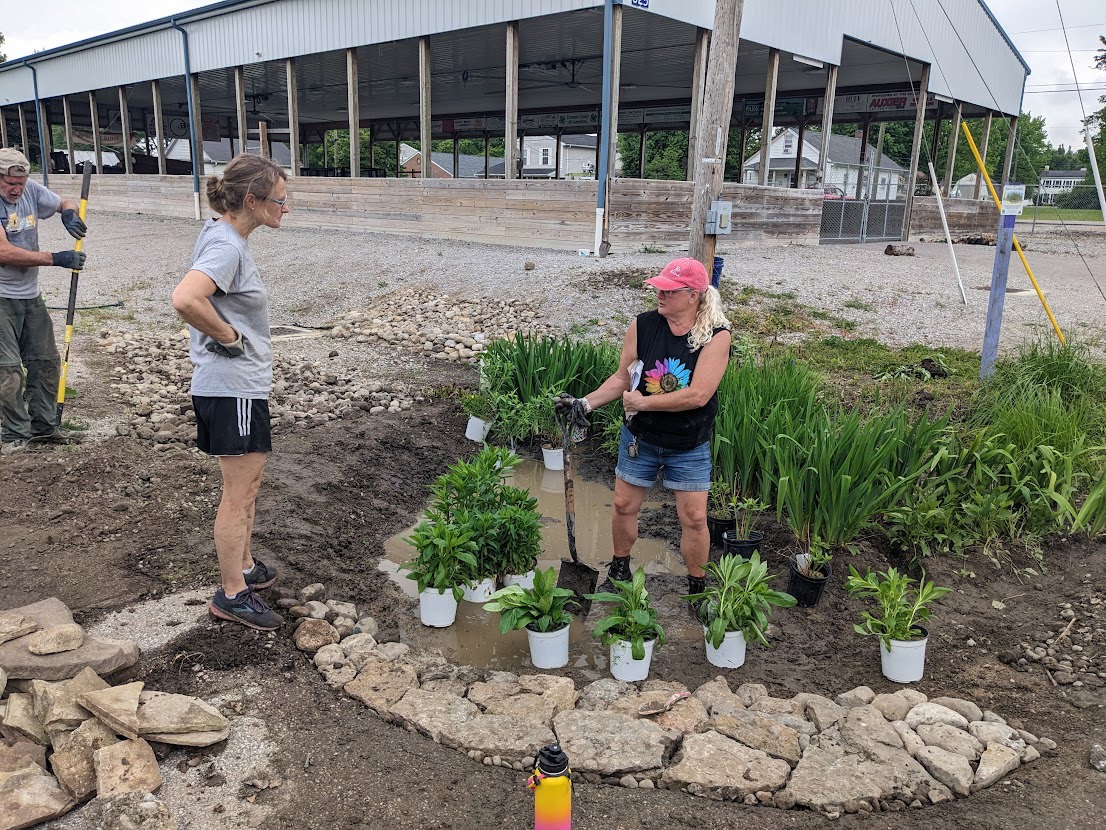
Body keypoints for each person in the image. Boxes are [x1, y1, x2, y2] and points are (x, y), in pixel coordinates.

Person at [556, 257, 731, 602]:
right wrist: (585, 403)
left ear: (693, 295)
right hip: (641, 439)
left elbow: (698, 395)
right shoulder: (643, 326)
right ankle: (619, 570)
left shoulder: (716, 336)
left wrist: (643, 403)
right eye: (658, 287)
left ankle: (697, 588)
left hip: (688, 442)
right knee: (623, 505)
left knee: (694, 518)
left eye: (668, 290)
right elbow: (623, 377)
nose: (659, 294)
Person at [171, 154, 290, 632]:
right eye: (280, 200)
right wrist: (229, 338)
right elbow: (185, 298)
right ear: (251, 200)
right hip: (231, 390)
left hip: (238, 389)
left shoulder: (224, 234)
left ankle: (243, 566)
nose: (286, 208)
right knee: (238, 494)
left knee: (250, 486)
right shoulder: (228, 246)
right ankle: (232, 594)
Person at [0, 147, 89, 455]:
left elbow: (64, 200)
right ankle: (14, 434)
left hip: (29, 296)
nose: (16, 189)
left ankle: (44, 427)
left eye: (21, 183)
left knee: (45, 361)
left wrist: (67, 212)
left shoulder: (29, 190)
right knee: (8, 369)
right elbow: (5, 253)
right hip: (1, 298)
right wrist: (56, 258)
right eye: (10, 183)